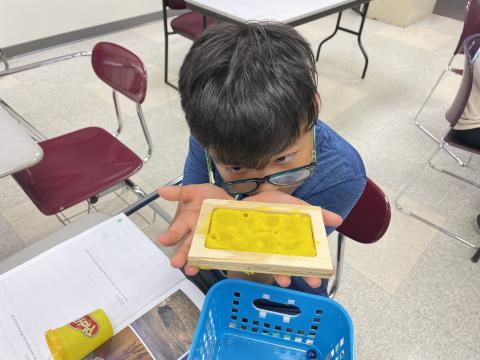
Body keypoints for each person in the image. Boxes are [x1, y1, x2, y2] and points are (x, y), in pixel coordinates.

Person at [157, 22, 366, 295]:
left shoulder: (341, 173)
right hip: (211, 268)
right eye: (236, 167)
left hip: (282, 289)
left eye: (284, 158)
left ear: (313, 106)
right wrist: (202, 219)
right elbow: (184, 229)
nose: (266, 190)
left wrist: (263, 228)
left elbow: (249, 290)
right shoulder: (211, 135)